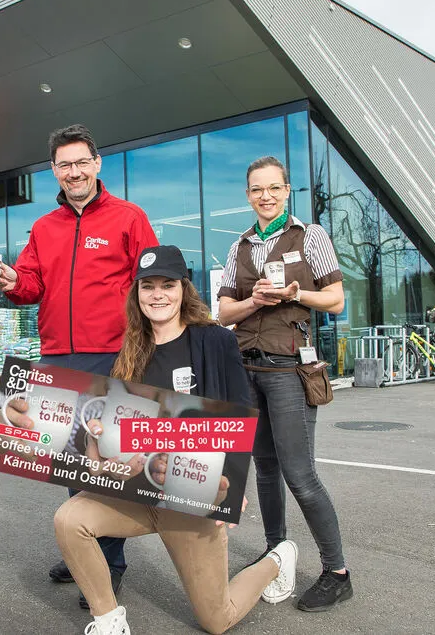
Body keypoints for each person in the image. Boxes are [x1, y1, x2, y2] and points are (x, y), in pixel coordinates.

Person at [53, 245, 298, 635]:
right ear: (136, 294)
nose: (158, 295)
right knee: (70, 518)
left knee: (217, 621)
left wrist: (233, 487)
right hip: (140, 491)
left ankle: (278, 560)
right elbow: (102, 424)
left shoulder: (214, 341)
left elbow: (239, 415)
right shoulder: (129, 351)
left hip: (192, 494)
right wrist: (18, 422)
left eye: (167, 285)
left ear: (184, 289)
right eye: (147, 286)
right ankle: (108, 620)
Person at [0, 123, 159, 607]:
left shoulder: (129, 218)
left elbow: (152, 285)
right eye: (64, 165)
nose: (74, 171)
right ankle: (81, 549)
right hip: (57, 356)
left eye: (81, 162)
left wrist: (147, 350)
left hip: (113, 354)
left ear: (97, 163)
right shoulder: (44, 228)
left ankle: (109, 567)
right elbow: (30, 284)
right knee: (70, 462)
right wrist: (10, 279)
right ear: (54, 170)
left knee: (106, 463)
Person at [216, 156, 353, 612]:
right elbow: (223, 313)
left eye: (274, 187)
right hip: (247, 371)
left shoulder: (310, 236)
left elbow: (335, 300)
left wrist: (295, 294)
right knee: (266, 470)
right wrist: (253, 300)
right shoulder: (241, 246)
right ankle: (277, 550)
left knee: (301, 474)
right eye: (257, 189)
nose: (266, 196)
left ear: (287, 190)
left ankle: (337, 571)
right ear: (248, 194)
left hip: (288, 370)